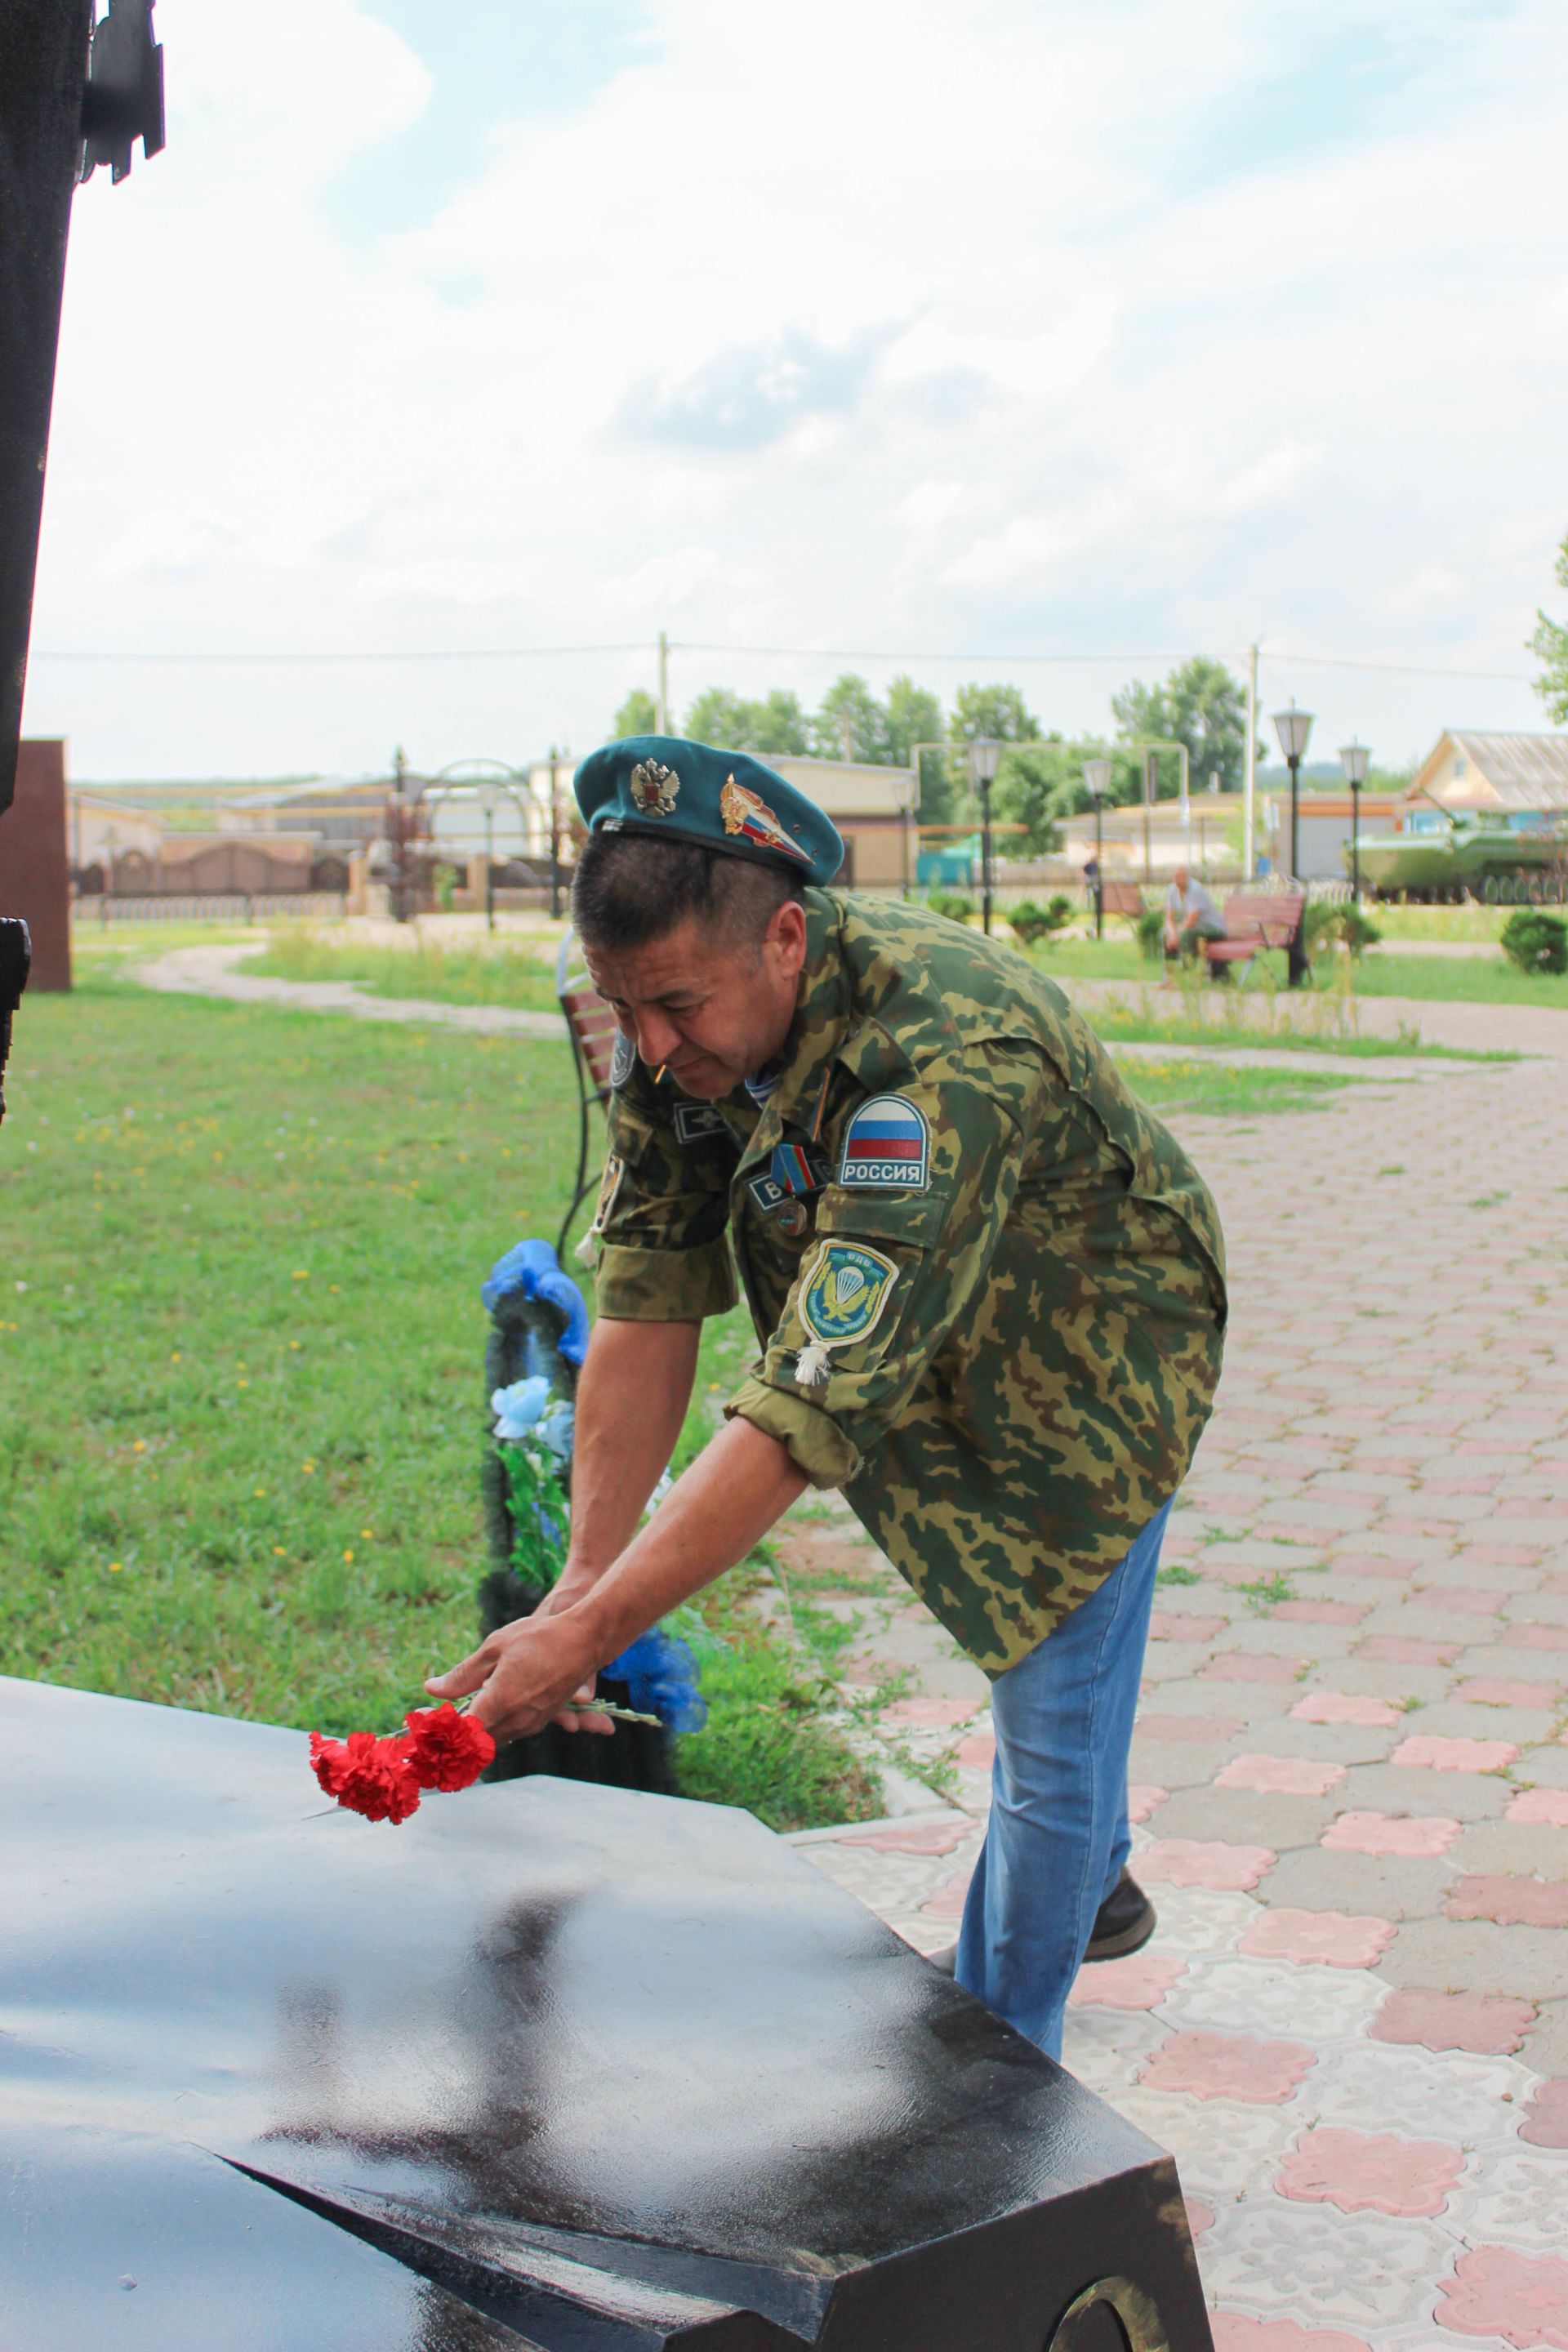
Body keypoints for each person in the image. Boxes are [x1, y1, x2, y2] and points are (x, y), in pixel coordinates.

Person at [428, 736, 1227, 2062]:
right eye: (623, 1006)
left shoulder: (942, 1060)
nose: (650, 1042)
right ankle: (1097, 1868)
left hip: (1094, 1367)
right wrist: (580, 1586)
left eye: (675, 1004)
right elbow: (647, 1287)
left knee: (1050, 1718)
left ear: (786, 939)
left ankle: (994, 2085)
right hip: (916, 1345)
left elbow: (803, 1411)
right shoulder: (676, 1030)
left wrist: (599, 1631)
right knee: (1062, 1743)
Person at [1163, 864, 1227, 969]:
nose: (1179, 880)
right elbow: (1169, 918)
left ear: (1188, 876)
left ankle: (1187, 973)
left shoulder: (1195, 889)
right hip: (1195, 927)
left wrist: (1177, 934)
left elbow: (1192, 919)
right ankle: (1170, 976)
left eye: (1182, 876)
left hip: (1213, 927)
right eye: (1176, 876)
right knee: (1165, 935)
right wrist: (1172, 933)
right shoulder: (1172, 890)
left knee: (1185, 934)